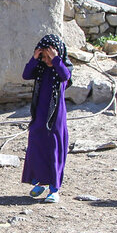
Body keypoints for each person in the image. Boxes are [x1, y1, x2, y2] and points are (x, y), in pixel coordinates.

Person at [21, 34, 70, 204]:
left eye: (50, 56)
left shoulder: (60, 71)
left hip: (54, 118)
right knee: (36, 146)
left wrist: (56, 60)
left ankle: (54, 189)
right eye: (44, 56)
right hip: (39, 117)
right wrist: (35, 58)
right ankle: (41, 182)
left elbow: (65, 76)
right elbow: (26, 74)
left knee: (53, 150)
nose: (47, 60)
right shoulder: (42, 70)